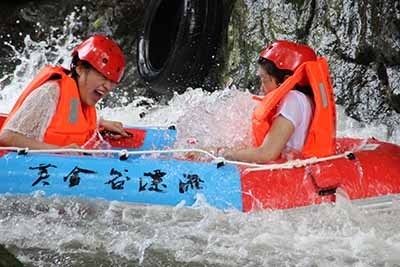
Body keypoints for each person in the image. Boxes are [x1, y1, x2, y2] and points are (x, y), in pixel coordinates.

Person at [0, 34, 130, 149]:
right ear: (80, 69)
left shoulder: (75, 98)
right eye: (103, 77)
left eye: (112, 81)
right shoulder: (49, 93)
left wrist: (99, 125)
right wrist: (58, 152)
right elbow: (7, 137)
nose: (107, 86)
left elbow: (71, 120)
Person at [216, 40, 336, 163]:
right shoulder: (308, 98)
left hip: (290, 175)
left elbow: (267, 154)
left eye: (264, 79)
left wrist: (224, 154)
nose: (261, 88)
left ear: (285, 80)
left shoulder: (293, 100)